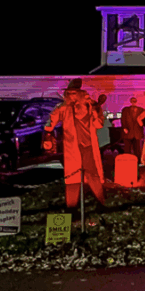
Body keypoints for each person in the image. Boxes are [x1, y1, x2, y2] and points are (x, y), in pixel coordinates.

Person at [44, 79, 106, 210]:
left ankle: (100, 202)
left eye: (74, 93)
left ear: (80, 94)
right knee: (72, 178)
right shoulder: (63, 108)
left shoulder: (91, 106)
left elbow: (99, 124)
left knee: (93, 175)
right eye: (69, 93)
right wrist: (47, 135)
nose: (71, 96)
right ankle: (72, 207)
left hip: (88, 147)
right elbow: (50, 122)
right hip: (72, 148)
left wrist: (95, 112)